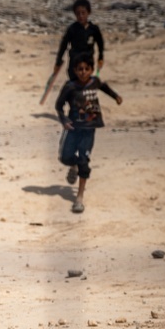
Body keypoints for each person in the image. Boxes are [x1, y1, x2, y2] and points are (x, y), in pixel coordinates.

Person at [54, 54, 123, 214]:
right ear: (75, 70)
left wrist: (115, 96)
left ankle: (79, 198)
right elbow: (58, 105)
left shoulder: (94, 82)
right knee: (65, 157)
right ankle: (73, 166)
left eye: (86, 69)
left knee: (84, 161)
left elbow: (104, 86)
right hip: (72, 129)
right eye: (80, 69)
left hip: (89, 128)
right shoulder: (70, 86)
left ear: (91, 70)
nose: (83, 72)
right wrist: (64, 120)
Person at [53, 0, 105, 81]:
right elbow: (63, 45)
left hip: (88, 63)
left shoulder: (94, 29)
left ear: (88, 12)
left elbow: (100, 44)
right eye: (78, 14)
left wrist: (100, 58)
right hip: (74, 64)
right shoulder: (72, 29)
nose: (81, 16)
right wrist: (58, 62)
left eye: (83, 13)